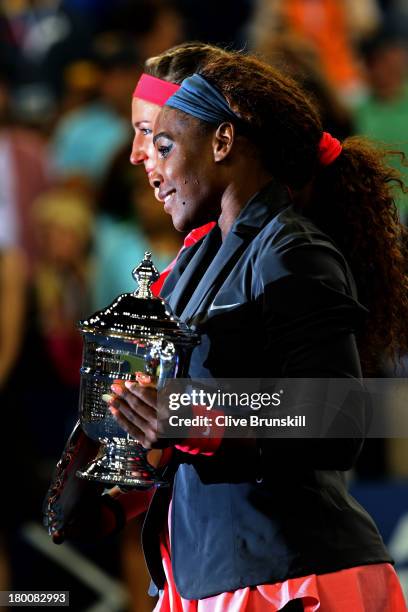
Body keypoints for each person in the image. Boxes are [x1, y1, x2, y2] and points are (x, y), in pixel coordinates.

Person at [103, 54, 408, 610]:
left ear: (222, 143)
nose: (146, 160)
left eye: (162, 143)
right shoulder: (192, 266)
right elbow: (201, 442)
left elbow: (338, 419)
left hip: (292, 581)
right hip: (208, 578)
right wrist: (124, 491)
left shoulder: (294, 249)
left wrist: (194, 417)